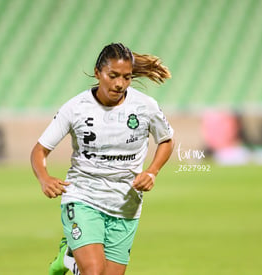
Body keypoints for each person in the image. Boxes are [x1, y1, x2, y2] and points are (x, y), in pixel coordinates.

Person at [31, 43, 174, 275]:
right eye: (113, 76)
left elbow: (166, 140)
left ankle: (69, 256)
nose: (120, 84)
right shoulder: (76, 108)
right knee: (94, 272)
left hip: (126, 203)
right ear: (98, 73)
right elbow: (39, 150)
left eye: (127, 77)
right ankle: (76, 258)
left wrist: (152, 171)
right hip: (83, 196)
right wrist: (44, 178)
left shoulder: (145, 106)